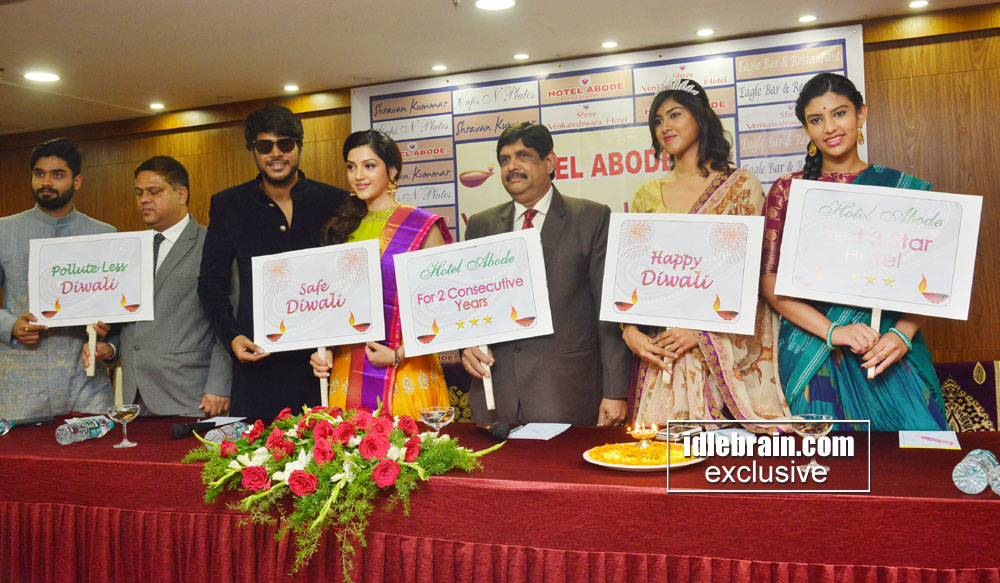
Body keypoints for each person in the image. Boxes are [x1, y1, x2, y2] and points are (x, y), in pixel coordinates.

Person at [760, 72, 947, 431]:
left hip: (886, 346)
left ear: (861, 114)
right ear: (806, 129)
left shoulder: (901, 191)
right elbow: (770, 284)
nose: (830, 127)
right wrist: (835, 332)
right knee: (828, 459)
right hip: (814, 351)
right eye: (816, 120)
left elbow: (931, 282)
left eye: (840, 113)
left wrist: (902, 334)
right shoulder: (788, 191)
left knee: (917, 455)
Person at [623, 80, 789, 430]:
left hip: (721, 348)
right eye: (657, 120)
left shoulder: (740, 186)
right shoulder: (646, 194)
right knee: (664, 452)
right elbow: (631, 275)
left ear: (701, 118)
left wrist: (700, 333)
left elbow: (750, 279)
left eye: (675, 115)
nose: (665, 127)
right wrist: (630, 330)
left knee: (724, 454)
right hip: (663, 348)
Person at [461, 122, 632, 426]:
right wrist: (466, 345)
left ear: (549, 162)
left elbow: (609, 312)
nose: (512, 167)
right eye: (504, 160)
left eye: (523, 156)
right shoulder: (480, 225)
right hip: (496, 393)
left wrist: (615, 392)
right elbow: (466, 303)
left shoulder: (591, 219)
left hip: (566, 392)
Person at [198, 104, 349, 420]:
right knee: (255, 451)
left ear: (299, 147)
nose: (276, 153)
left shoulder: (335, 201)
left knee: (330, 447)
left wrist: (339, 344)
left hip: (323, 363)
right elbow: (210, 283)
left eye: (285, 144)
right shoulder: (229, 204)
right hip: (258, 365)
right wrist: (232, 337)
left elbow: (349, 278)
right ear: (252, 150)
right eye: (265, 146)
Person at [310, 130, 451, 418]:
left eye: (369, 165)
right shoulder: (341, 229)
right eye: (351, 167)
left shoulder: (422, 227)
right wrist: (323, 351)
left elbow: (443, 307)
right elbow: (331, 306)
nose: (358, 175)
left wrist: (398, 355)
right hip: (348, 370)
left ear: (393, 170)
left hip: (405, 368)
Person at [84, 157, 232, 417]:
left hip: (192, 396)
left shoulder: (212, 243)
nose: (144, 200)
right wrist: (111, 348)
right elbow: (131, 317)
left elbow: (229, 319)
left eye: (154, 192)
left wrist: (220, 384)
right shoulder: (129, 249)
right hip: (134, 398)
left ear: (181, 194)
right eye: (139, 193)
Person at [0, 138, 114, 419]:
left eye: (57, 174)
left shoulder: (104, 235)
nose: (46, 182)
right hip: (21, 382)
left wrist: (109, 338)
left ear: (77, 181)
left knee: (94, 448)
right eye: (39, 174)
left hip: (87, 381)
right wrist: (10, 325)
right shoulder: (4, 232)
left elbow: (122, 312)